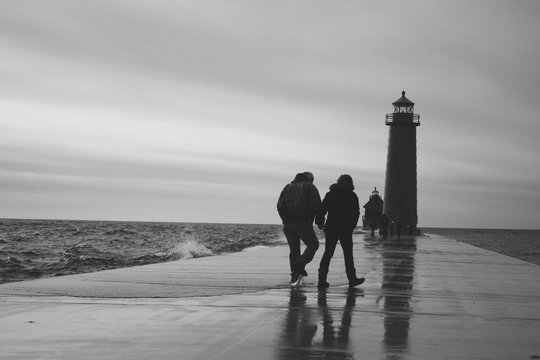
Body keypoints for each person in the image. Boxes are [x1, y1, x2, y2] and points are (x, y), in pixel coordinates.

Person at [315, 174, 365, 289]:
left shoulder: (330, 194)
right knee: (348, 255)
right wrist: (351, 226)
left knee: (328, 253)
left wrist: (319, 222)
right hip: (345, 228)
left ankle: (322, 280)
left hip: (331, 227)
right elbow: (356, 213)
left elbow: (322, 210)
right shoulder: (352, 196)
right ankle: (352, 279)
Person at [277, 171, 321, 285]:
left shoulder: (287, 187)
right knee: (313, 244)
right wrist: (320, 221)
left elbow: (279, 205)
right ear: (309, 179)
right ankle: (300, 263)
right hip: (302, 221)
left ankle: (295, 275)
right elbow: (317, 205)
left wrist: (284, 219)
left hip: (287, 223)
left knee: (294, 249)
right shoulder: (309, 187)